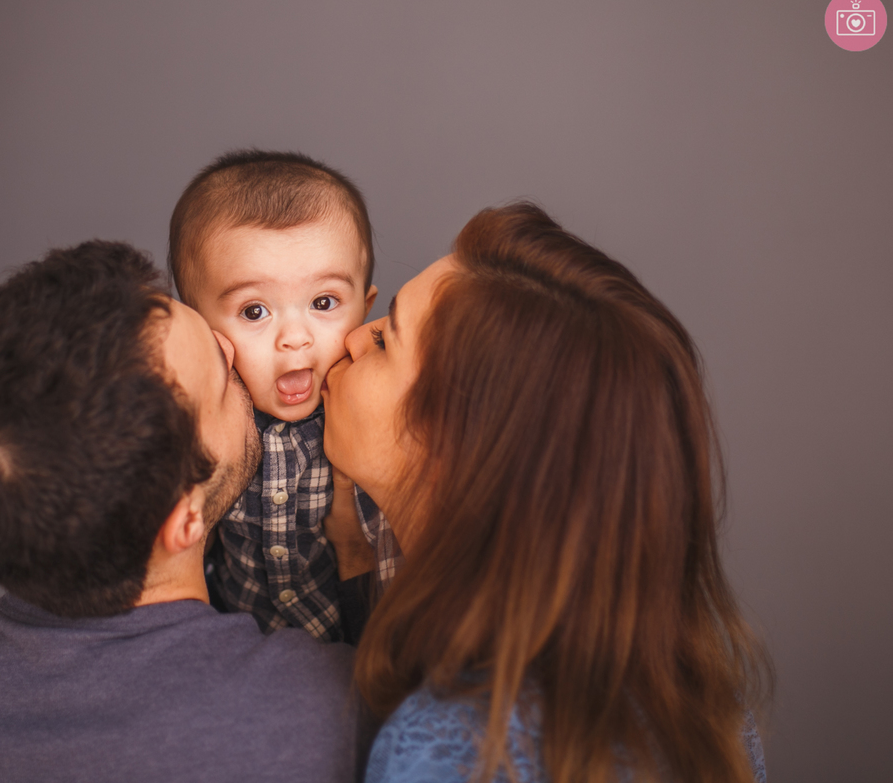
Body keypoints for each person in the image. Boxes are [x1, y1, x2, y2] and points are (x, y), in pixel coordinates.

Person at [0, 241, 362, 782]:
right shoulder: (320, 709)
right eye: (219, 375)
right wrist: (357, 553)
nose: (231, 345)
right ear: (183, 521)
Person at [322, 203, 772, 783]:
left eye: (387, 339)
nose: (354, 338)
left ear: (458, 447)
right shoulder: (708, 710)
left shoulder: (454, 746)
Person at [168, 149, 393, 644]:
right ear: (200, 328)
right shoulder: (207, 428)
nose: (295, 338)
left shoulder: (370, 422)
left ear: (365, 308)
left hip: (353, 649)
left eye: (324, 302)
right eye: (254, 311)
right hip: (233, 646)